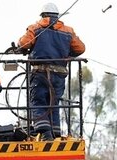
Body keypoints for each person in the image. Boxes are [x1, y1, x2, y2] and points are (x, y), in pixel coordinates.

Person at [16, 3, 85, 140]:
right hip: (59, 74)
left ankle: (45, 133)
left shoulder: (35, 28)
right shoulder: (68, 31)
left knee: (38, 101)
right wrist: (66, 52)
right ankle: (55, 133)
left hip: (40, 73)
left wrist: (21, 49)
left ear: (42, 15)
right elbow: (80, 48)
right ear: (57, 16)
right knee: (54, 102)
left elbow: (23, 44)